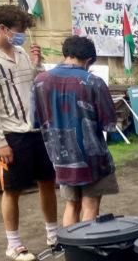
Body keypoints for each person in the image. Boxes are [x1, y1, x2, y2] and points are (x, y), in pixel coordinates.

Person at [0, 5, 58, 261]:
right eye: (19, 31)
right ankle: (14, 244)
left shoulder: (19, 51)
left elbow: (31, 85)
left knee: (47, 181)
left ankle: (54, 235)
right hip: (11, 133)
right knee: (13, 189)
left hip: (35, 128)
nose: (22, 36)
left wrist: (36, 64)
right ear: (3, 29)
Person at [32, 36, 118, 226]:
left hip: (60, 157)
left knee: (72, 206)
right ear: (88, 60)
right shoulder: (93, 82)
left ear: (66, 53)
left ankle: (71, 250)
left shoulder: (40, 81)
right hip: (92, 158)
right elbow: (109, 124)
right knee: (91, 205)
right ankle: (85, 252)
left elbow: (35, 120)